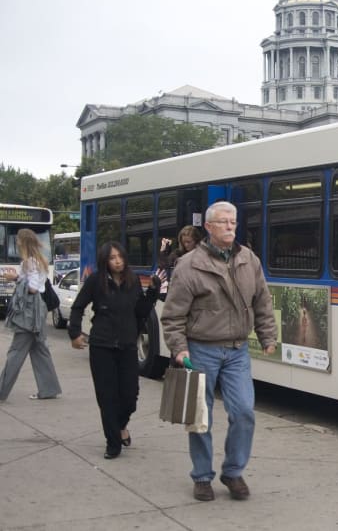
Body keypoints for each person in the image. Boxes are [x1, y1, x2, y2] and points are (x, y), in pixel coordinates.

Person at [160, 201, 277, 502]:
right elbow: (173, 316)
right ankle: (201, 476)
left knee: (244, 412)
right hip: (201, 349)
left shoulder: (248, 259)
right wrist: (179, 349)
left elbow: (262, 300)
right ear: (209, 227)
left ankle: (233, 471)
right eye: (223, 222)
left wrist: (268, 336)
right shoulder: (189, 265)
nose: (229, 227)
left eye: (233, 222)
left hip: (238, 350)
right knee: (201, 416)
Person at [67, 241, 160, 459]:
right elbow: (78, 307)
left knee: (130, 396)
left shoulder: (133, 280)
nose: (117, 261)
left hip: (127, 346)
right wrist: (75, 333)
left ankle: (120, 426)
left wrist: (153, 293)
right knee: (107, 397)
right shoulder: (95, 281)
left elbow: (140, 312)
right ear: (105, 261)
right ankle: (113, 442)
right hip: (102, 346)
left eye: (120, 256)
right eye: (112, 258)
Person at [0, 229, 62, 403]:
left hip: (29, 314)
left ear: (23, 242)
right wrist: (17, 277)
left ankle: (1, 390)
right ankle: (49, 389)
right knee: (40, 351)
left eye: (19, 240)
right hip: (37, 312)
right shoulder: (39, 261)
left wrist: (16, 279)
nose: (17, 243)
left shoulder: (29, 262)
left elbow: (33, 288)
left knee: (16, 352)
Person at [157, 225, 202, 298]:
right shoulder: (178, 253)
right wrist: (163, 250)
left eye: (189, 242)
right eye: (184, 242)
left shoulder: (202, 254)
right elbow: (164, 265)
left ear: (196, 241)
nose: (186, 245)